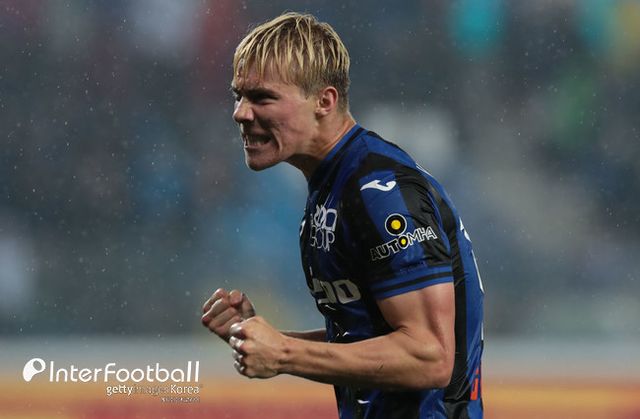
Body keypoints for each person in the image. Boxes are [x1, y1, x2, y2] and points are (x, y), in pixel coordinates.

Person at [201, 11, 484, 419]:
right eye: (238, 96)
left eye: (262, 98)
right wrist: (267, 338)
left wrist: (285, 353)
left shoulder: (380, 191)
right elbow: (366, 337)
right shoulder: (332, 189)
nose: (241, 113)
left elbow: (430, 357)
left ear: (324, 101)